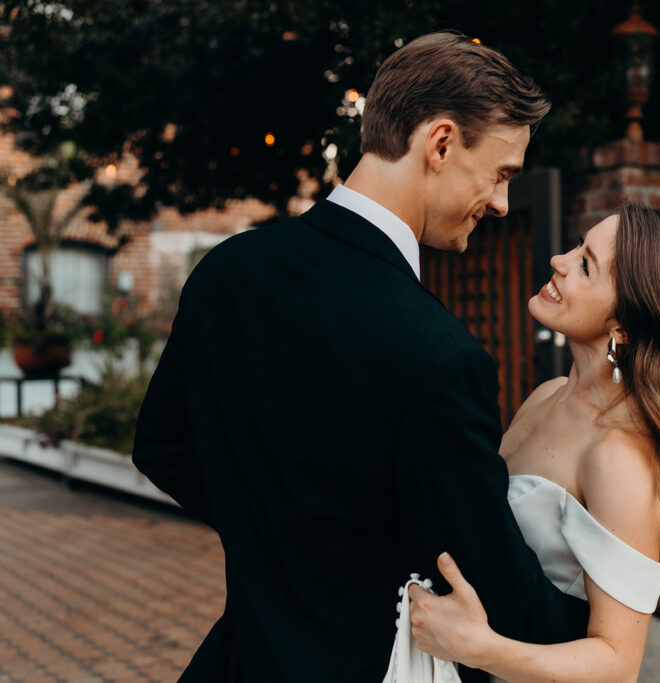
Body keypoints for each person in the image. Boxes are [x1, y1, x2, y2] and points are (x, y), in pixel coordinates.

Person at [132, 32, 588, 681]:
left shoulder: (227, 269)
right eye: (502, 173)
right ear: (440, 143)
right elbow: (498, 590)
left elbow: (161, 446)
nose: (502, 202)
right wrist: (608, 630)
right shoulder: (440, 356)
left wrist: (275, 541)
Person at [408, 204, 660, 682]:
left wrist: (480, 648)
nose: (559, 260)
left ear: (625, 327)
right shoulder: (547, 394)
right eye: (576, 245)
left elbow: (617, 665)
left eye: (585, 264)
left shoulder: (619, 459)